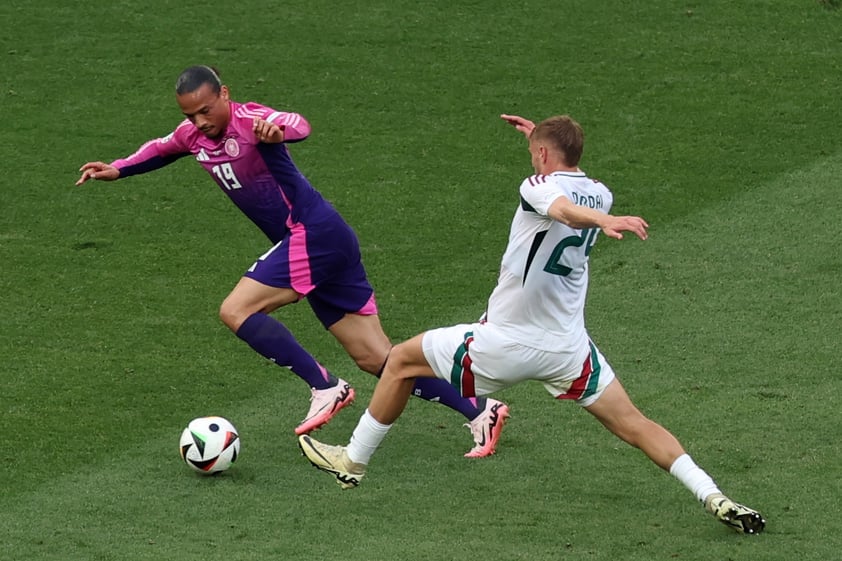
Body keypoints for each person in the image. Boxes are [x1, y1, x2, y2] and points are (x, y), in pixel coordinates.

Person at [299, 113, 766, 534]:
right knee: (635, 424)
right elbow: (570, 192)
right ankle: (713, 495)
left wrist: (600, 217)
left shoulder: (539, 187)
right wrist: (553, 157)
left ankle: (352, 461)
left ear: (542, 157)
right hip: (570, 349)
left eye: (534, 153)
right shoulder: (602, 191)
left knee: (399, 360)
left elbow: (560, 207)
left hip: (507, 343)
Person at [75, 65, 509, 457]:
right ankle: (480, 412)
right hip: (323, 242)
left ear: (225, 94)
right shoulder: (194, 135)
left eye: (206, 110)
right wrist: (118, 168)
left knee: (236, 309)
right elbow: (162, 148)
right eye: (191, 115)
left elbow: (298, 124)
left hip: (312, 234)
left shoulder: (252, 122)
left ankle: (326, 386)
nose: (200, 122)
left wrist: (276, 131)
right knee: (378, 358)